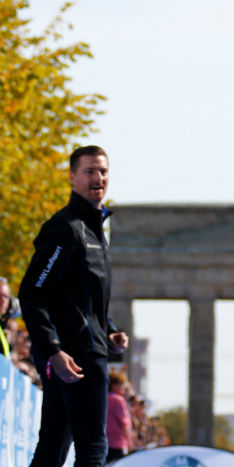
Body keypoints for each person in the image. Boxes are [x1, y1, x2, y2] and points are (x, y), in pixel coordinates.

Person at [20, 145, 130, 467]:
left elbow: (86, 298)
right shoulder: (65, 228)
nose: (98, 178)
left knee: (53, 447)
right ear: (72, 177)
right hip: (74, 356)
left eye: (103, 171)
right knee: (93, 449)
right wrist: (53, 349)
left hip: (86, 349)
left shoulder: (96, 229)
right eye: (89, 171)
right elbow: (32, 294)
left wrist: (109, 331)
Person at [106, 370, 134, 463]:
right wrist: (130, 442)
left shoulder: (104, 398)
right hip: (117, 443)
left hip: (105, 442)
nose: (123, 387)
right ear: (114, 385)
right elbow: (124, 423)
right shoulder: (118, 400)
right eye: (121, 384)